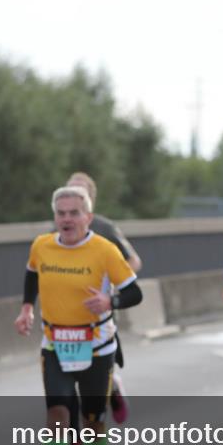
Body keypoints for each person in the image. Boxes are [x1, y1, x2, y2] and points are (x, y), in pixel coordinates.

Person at [14, 186, 143, 445]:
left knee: (93, 421)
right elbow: (32, 273)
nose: (67, 219)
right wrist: (26, 309)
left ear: (88, 217)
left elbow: (134, 291)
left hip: (97, 347)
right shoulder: (42, 245)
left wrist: (110, 301)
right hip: (55, 344)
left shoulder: (104, 250)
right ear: (55, 216)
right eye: (61, 213)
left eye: (74, 213)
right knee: (56, 415)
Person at [65, 172, 140, 427]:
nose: (73, 196)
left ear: (91, 199)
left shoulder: (105, 229)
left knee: (93, 374)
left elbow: (133, 261)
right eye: (69, 191)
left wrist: (111, 291)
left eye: (80, 192)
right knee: (70, 371)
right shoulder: (58, 229)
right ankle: (75, 429)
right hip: (68, 315)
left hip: (100, 313)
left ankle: (112, 388)